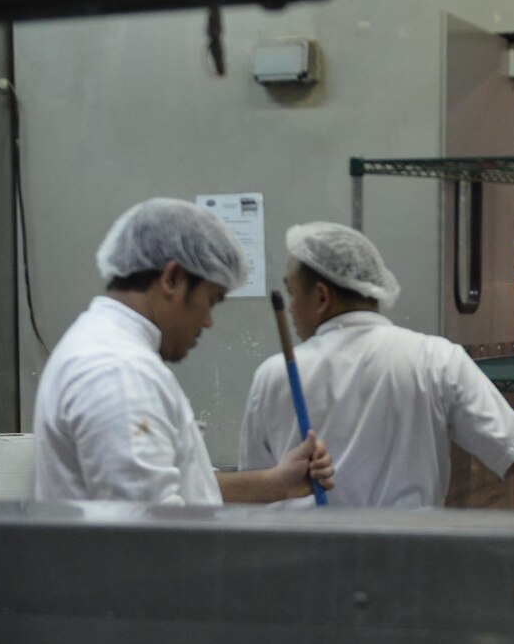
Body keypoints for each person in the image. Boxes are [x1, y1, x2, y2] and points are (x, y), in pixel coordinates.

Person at [240, 223, 514, 507]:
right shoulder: (435, 359)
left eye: (292, 295)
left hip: (307, 577)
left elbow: (256, 491)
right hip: (408, 568)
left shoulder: (274, 375)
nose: (290, 309)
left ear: (321, 296)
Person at [35, 198, 334, 506]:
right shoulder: (119, 372)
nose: (208, 321)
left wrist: (275, 484)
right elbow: (151, 529)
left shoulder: (104, 347)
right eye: (212, 300)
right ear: (172, 279)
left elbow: (176, 489)